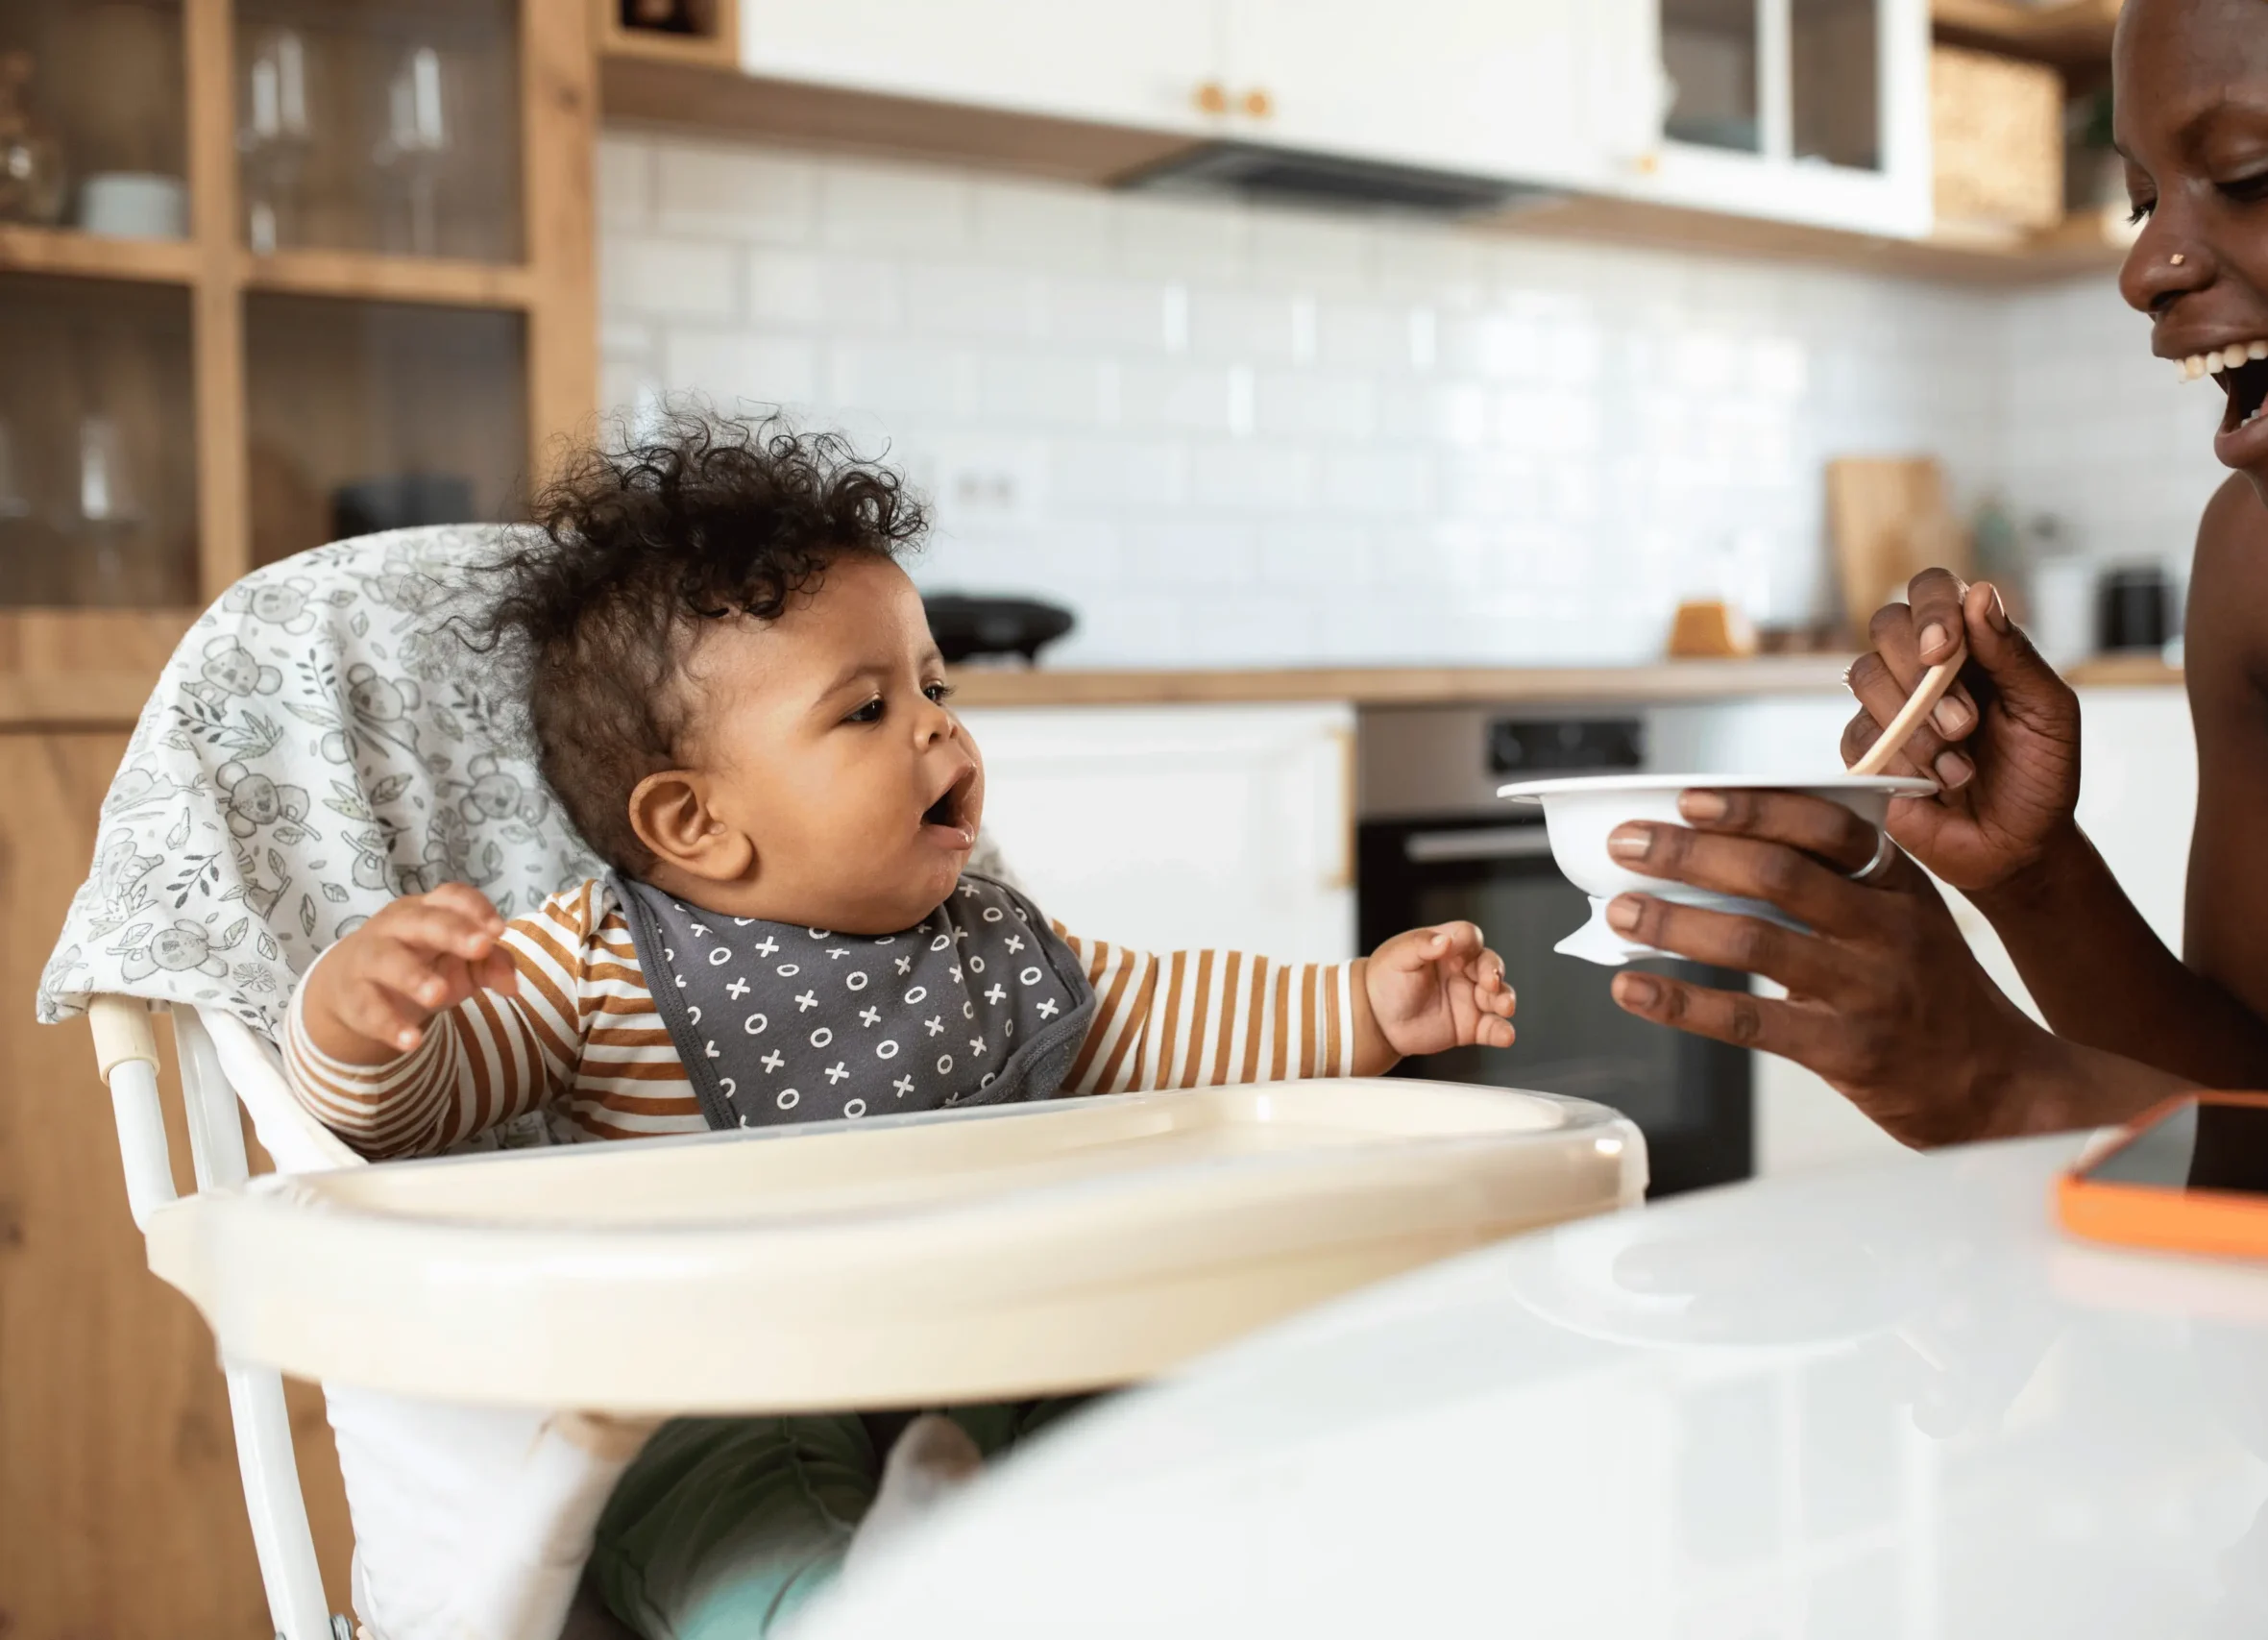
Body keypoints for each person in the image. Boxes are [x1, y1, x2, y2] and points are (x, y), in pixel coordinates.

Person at [280, 414, 1520, 1638]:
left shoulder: (994, 945)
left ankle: (1088, 1566)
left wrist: (1365, 1004)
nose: (937, 724)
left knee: (1159, 1408)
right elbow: (414, 1112)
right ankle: (857, 1606)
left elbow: (1180, 1016)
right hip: (724, 1378)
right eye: (864, 710)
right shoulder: (593, 963)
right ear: (694, 821)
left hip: (1001, 1345)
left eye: (935, 684)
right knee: (718, 1517)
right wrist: (366, 1018)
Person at [1591, 0, 2268, 1143]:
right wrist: (2032, 876)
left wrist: (2008, 1088)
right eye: (2144, 198)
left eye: (2249, 177)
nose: (2146, 266)